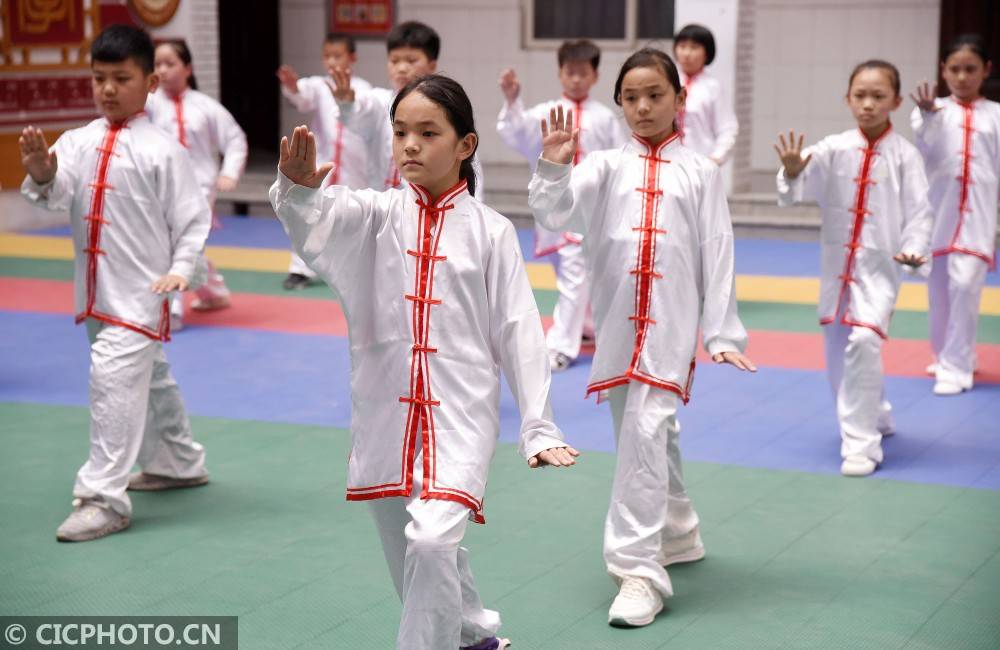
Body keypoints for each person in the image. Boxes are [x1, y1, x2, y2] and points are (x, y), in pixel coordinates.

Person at [269, 74, 578, 650]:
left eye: (427, 132)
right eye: (401, 131)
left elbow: (518, 329)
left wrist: (537, 424)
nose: (409, 144)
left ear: (465, 145)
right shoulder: (376, 214)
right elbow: (314, 222)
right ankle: (473, 636)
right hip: (384, 412)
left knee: (433, 542)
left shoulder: (491, 232)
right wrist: (294, 191)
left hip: (459, 418)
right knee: (412, 548)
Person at [528, 48, 755, 628]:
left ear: (681, 98)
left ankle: (637, 571)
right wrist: (554, 167)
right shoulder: (603, 167)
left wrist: (722, 330)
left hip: (671, 329)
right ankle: (678, 531)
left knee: (644, 436)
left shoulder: (701, 172)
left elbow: (718, 251)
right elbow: (555, 214)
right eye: (630, 97)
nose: (643, 106)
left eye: (655, 94)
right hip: (616, 327)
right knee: (647, 431)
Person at [19, 24, 212, 542]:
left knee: (112, 381)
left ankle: (102, 497)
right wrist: (40, 171)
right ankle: (177, 461)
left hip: (143, 296)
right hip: (95, 295)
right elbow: (54, 193)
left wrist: (182, 269)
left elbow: (192, 219)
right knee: (150, 380)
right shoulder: (77, 141)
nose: (107, 89)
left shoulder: (163, 151)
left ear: (149, 82)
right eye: (98, 78)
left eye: (120, 78)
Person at [775, 60, 933, 476]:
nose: (867, 104)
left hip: (880, 270)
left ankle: (860, 445)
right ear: (847, 98)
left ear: (896, 101)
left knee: (864, 341)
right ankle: (875, 411)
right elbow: (797, 181)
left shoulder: (906, 156)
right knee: (839, 350)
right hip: (835, 270)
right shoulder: (833, 148)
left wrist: (915, 248)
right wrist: (791, 173)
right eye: (859, 95)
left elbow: (920, 212)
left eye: (878, 96)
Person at [496, 39, 627, 371]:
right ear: (560, 73)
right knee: (570, 273)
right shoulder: (546, 113)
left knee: (575, 273)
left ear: (595, 75)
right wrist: (512, 101)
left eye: (584, 73)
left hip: (589, 212)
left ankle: (560, 346)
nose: (577, 80)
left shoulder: (605, 119)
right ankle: (587, 327)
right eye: (570, 72)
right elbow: (514, 131)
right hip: (553, 207)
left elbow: (620, 162)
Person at [910, 34, 999, 395]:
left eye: (970, 69)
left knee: (965, 287)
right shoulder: (930, 111)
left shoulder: (996, 115)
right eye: (955, 69)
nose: (962, 77)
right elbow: (925, 147)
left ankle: (957, 366)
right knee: (941, 294)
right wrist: (929, 116)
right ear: (943, 71)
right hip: (938, 218)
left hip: (978, 220)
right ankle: (948, 353)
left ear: (986, 70)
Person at [149, 39, 247, 323]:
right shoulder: (149, 105)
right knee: (179, 244)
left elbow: (235, 138)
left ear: (188, 68)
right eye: (158, 65)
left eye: (170, 63)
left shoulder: (205, 107)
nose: (163, 70)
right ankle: (213, 291)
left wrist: (229, 172)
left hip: (200, 189)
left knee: (180, 242)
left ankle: (171, 309)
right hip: (161, 187)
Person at [276, 33, 373, 290]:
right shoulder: (319, 85)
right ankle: (300, 268)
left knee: (353, 215)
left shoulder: (365, 90)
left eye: (337, 55)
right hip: (323, 164)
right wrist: (293, 86)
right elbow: (302, 97)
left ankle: (354, 267)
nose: (331, 61)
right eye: (327, 55)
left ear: (352, 58)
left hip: (355, 166)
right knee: (309, 213)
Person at [672, 24, 739, 166]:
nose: (687, 53)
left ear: (707, 53)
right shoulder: (667, 81)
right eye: (682, 46)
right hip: (668, 162)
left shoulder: (713, 87)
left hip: (701, 162)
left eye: (694, 47)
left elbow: (727, 128)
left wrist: (716, 158)